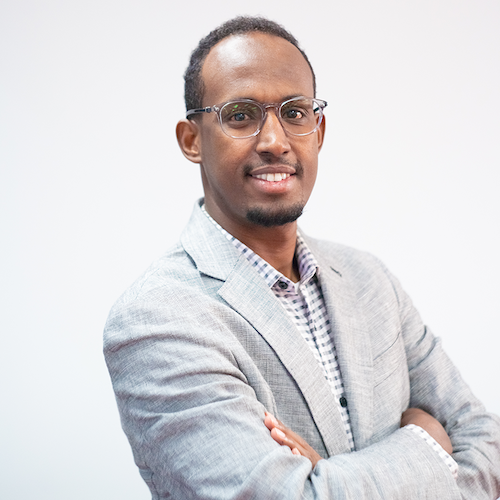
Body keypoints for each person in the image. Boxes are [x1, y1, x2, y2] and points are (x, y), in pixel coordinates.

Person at [103, 16, 500, 499]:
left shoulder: (370, 281)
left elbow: (490, 449)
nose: (275, 141)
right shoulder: (157, 319)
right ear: (192, 140)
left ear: (319, 130)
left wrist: (325, 479)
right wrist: (429, 443)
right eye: (241, 114)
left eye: (295, 112)